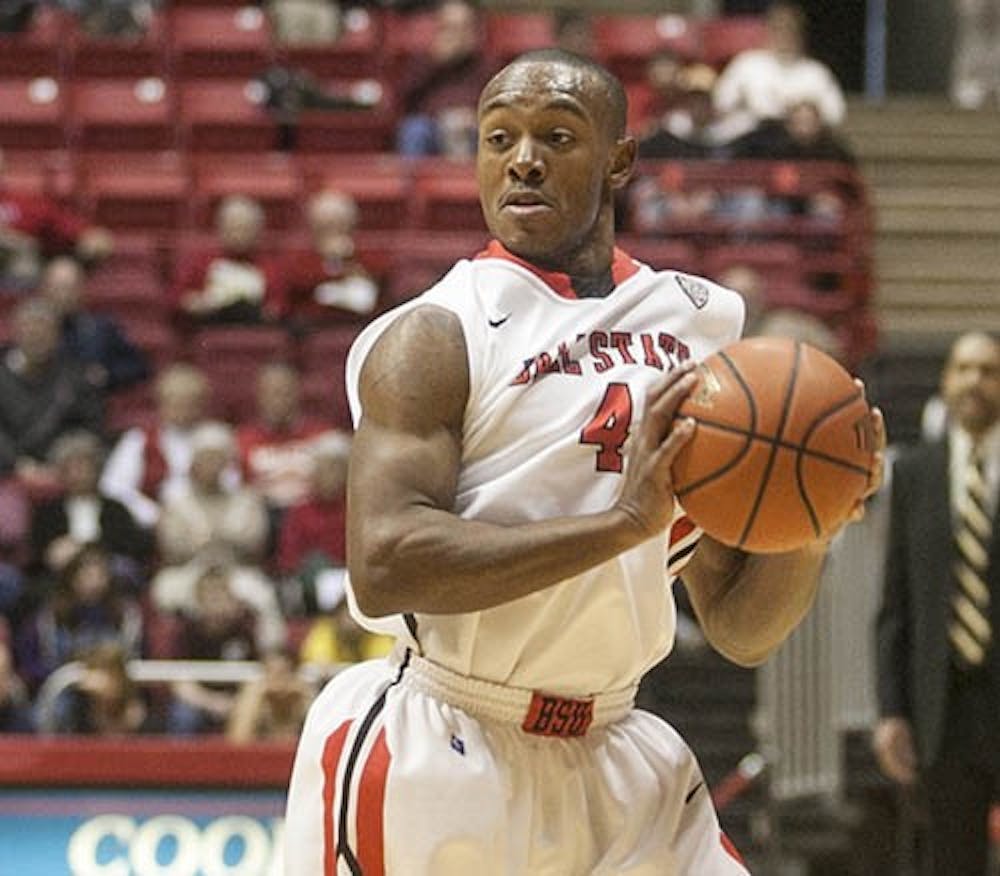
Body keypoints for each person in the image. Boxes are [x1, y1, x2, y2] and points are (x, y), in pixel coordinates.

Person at [285, 49, 884, 874]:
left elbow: (741, 629)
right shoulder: (434, 335)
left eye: (556, 136)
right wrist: (620, 527)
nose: (522, 159)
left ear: (620, 161)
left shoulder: (698, 327)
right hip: (446, 738)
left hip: (618, 743)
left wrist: (811, 518)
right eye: (499, 139)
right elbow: (385, 565)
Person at [874, 331, 1000, 876]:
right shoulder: (914, 473)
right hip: (942, 705)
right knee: (953, 859)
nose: (976, 380)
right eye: (965, 368)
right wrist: (891, 711)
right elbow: (895, 604)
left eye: (990, 370)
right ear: (946, 382)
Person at [100, 363, 213, 528]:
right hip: (154, 526)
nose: (184, 410)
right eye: (176, 402)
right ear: (161, 403)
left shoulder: (215, 440)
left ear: (202, 404)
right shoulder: (138, 440)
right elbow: (114, 488)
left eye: (191, 403)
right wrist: (154, 515)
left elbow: (231, 485)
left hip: (208, 524)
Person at [712, 1, 846, 141]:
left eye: (790, 28)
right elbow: (720, 104)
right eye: (779, 28)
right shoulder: (747, 64)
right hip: (750, 144)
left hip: (798, 147)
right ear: (768, 30)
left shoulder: (816, 72)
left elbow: (835, 115)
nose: (784, 35)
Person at [37, 255, 151, 395]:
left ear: (82, 289)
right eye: (58, 288)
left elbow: (139, 366)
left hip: (89, 408)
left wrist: (107, 375)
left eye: (70, 288)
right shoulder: (30, 329)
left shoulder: (102, 329)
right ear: (44, 289)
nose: (64, 295)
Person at [395, 0, 492, 158]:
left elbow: (498, 106)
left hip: (472, 127)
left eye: (464, 28)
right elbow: (405, 101)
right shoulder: (424, 62)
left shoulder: (486, 64)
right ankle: (409, 182)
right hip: (433, 126)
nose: (457, 36)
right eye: (450, 29)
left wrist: (473, 117)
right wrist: (435, 62)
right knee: (414, 130)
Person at [171, 195, 285, 326]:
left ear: (258, 231)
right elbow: (177, 297)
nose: (239, 235)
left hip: (255, 327)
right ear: (220, 228)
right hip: (210, 325)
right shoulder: (199, 260)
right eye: (233, 227)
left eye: (246, 228)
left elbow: (278, 306)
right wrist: (196, 303)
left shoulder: (270, 266)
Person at [281, 190, 381, 328]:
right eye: (325, 223)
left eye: (339, 221)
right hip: (315, 328)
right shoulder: (300, 257)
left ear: (352, 222)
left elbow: (380, 279)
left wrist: (348, 258)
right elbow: (297, 285)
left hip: (361, 325)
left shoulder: (369, 253)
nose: (332, 227)